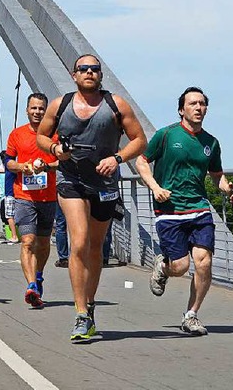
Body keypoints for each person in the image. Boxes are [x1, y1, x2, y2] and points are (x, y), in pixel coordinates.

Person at [37, 54, 147, 342]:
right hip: (71, 180)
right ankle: (81, 313)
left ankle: (91, 302)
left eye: (94, 69)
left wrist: (117, 158)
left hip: (105, 183)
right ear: (74, 75)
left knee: (96, 247)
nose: (89, 73)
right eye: (83, 69)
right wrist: (54, 150)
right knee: (81, 241)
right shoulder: (60, 105)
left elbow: (139, 140)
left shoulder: (116, 104)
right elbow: (41, 136)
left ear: (101, 75)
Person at [135, 86, 233, 336]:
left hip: (199, 208)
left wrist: (228, 188)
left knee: (204, 262)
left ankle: (191, 315)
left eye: (202, 104)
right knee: (180, 267)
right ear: (182, 109)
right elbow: (141, 161)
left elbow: (216, 176)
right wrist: (155, 187)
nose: (198, 108)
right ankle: (164, 266)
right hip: (170, 210)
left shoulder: (211, 143)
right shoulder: (166, 135)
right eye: (193, 103)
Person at [6, 93, 59, 309]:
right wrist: (22, 166)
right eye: (33, 108)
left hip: (48, 197)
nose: (37, 112)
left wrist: (47, 167)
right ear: (27, 110)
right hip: (24, 197)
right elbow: (9, 162)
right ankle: (31, 286)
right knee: (28, 241)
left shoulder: (55, 135)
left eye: (41, 109)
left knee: (44, 243)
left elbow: (64, 161)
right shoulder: (16, 134)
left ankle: (38, 275)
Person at [0, 150, 19, 243]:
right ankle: (18, 235)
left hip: (10, 194)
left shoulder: (8, 167)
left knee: (9, 216)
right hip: (17, 194)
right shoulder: (16, 167)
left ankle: (14, 236)